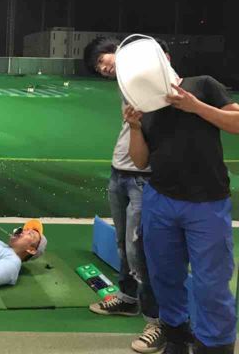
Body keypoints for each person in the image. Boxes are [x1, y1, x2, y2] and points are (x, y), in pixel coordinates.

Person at [126, 69, 239, 354]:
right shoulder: (144, 103)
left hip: (207, 202)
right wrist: (135, 128)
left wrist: (196, 106)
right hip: (160, 199)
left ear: (164, 60)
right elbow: (140, 161)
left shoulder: (202, 85)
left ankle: (214, 346)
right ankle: (176, 336)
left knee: (211, 283)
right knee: (163, 275)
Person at [83, 37, 166, 353]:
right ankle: (129, 298)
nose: (102, 69)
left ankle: (156, 320)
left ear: (118, 50)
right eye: (98, 67)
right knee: (122, 243)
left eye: (102, 60)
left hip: (143, 178)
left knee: (138, 249)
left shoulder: (147, 77)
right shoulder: (125, 85)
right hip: (119, 172)